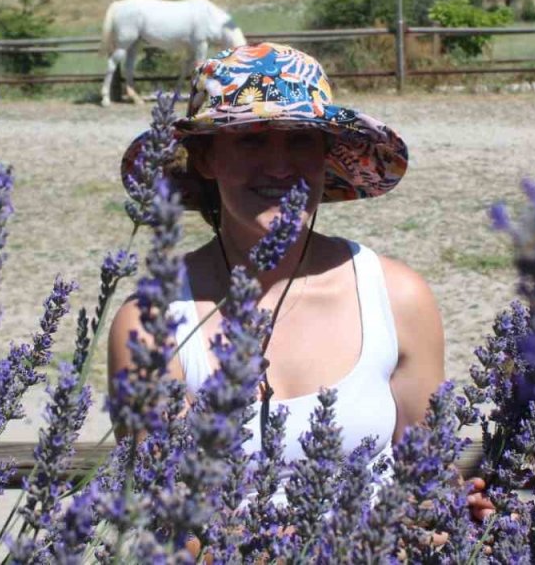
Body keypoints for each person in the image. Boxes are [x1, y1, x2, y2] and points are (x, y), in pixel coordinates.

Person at [107, 42, 492, 522]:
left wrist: (453, 513)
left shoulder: (397, 299)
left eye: (300, 140)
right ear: (206, 159)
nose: (279, 166)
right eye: (250, 140)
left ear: (326, 156)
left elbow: (427, 480)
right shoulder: (152, 325)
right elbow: (164, 525)